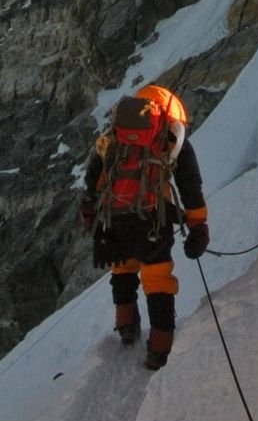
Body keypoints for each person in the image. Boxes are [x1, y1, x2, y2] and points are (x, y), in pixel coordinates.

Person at [79, 84, 209, 371]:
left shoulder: (116, 134)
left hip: (115, 217)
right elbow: (189, 185)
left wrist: (90, 212)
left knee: (122, 268)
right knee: (157, 276)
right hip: (152, 219)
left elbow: (94, 176)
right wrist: (198, 224)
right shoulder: (170, 136)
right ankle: (160, 348)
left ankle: (126, 326)